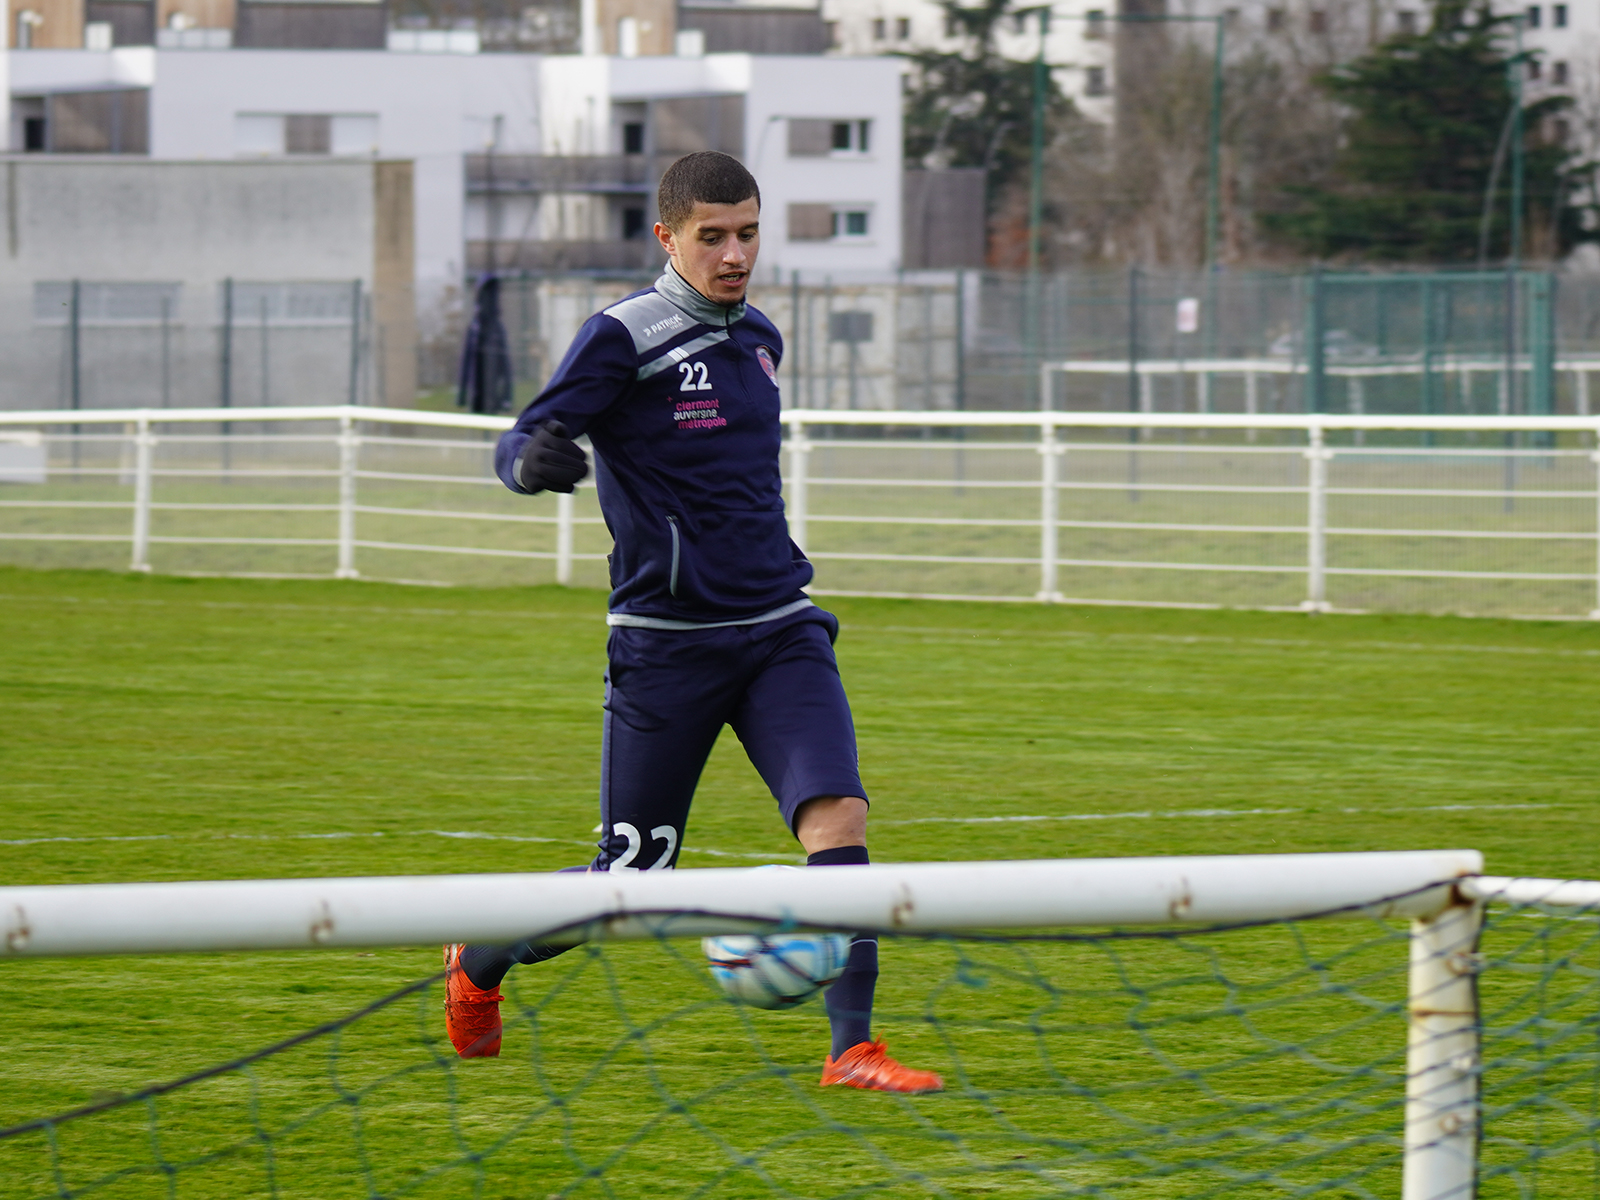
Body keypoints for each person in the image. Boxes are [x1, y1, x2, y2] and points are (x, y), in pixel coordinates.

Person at [443, 151, 942, 1095]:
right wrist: (528, 462)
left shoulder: (759, 336)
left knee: (839, 817)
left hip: (781, 631)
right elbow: (522, 434)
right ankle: (480, 958)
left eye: (748, 232)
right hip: (664, 649)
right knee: (630, 881)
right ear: (668, 238)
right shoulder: (621, 336)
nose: (735, 253)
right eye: (712, 236)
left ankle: (852, 1050)